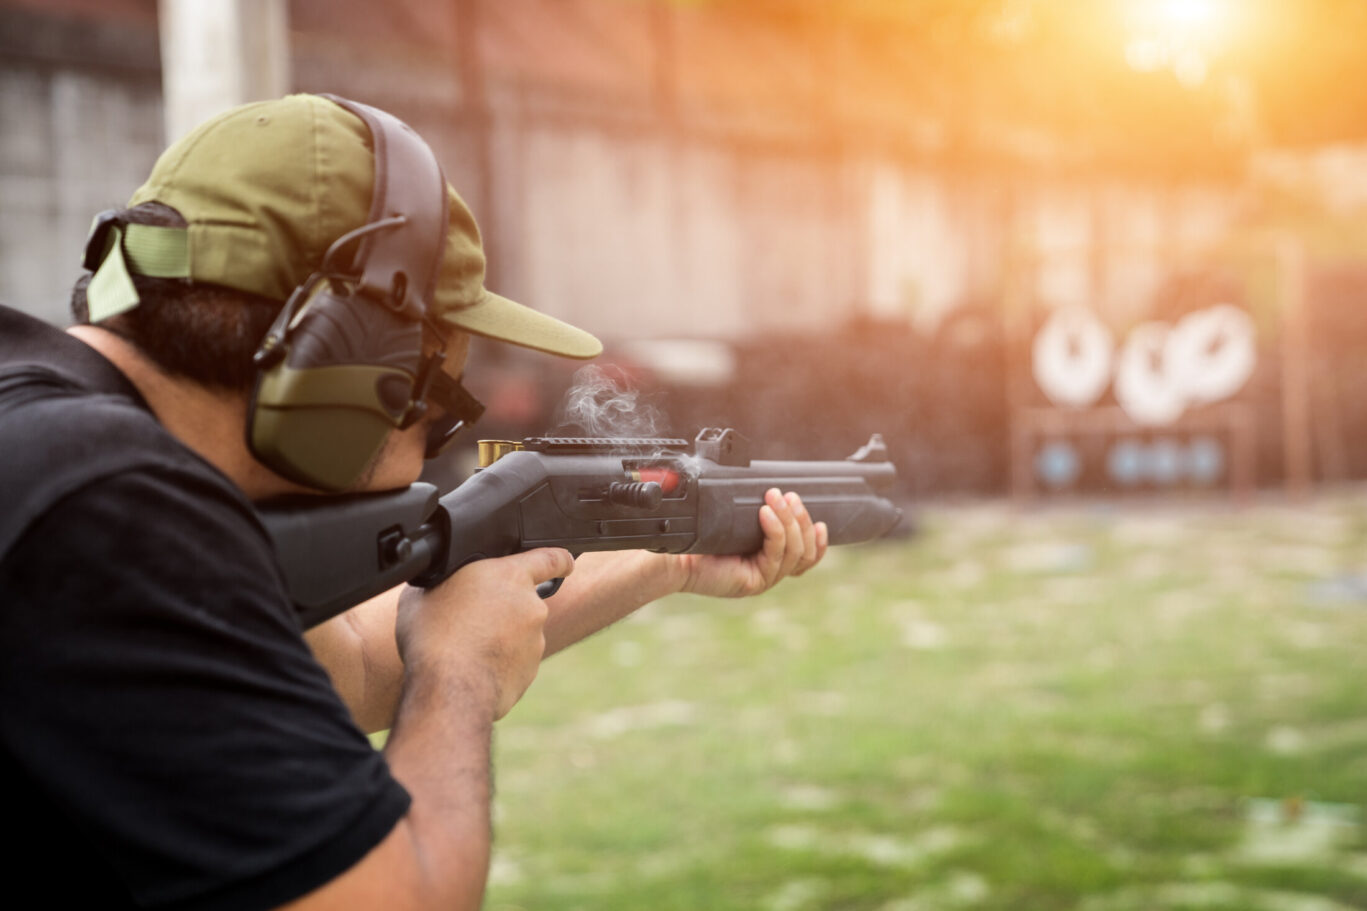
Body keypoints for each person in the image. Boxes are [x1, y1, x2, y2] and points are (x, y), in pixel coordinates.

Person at [0, 93, 827, 909]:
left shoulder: (52, 440)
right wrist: (459, 677)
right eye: (440, 402)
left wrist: (667, 554)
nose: (437, 433)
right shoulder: (111, 506)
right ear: (348, 372)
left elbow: (350, 666)